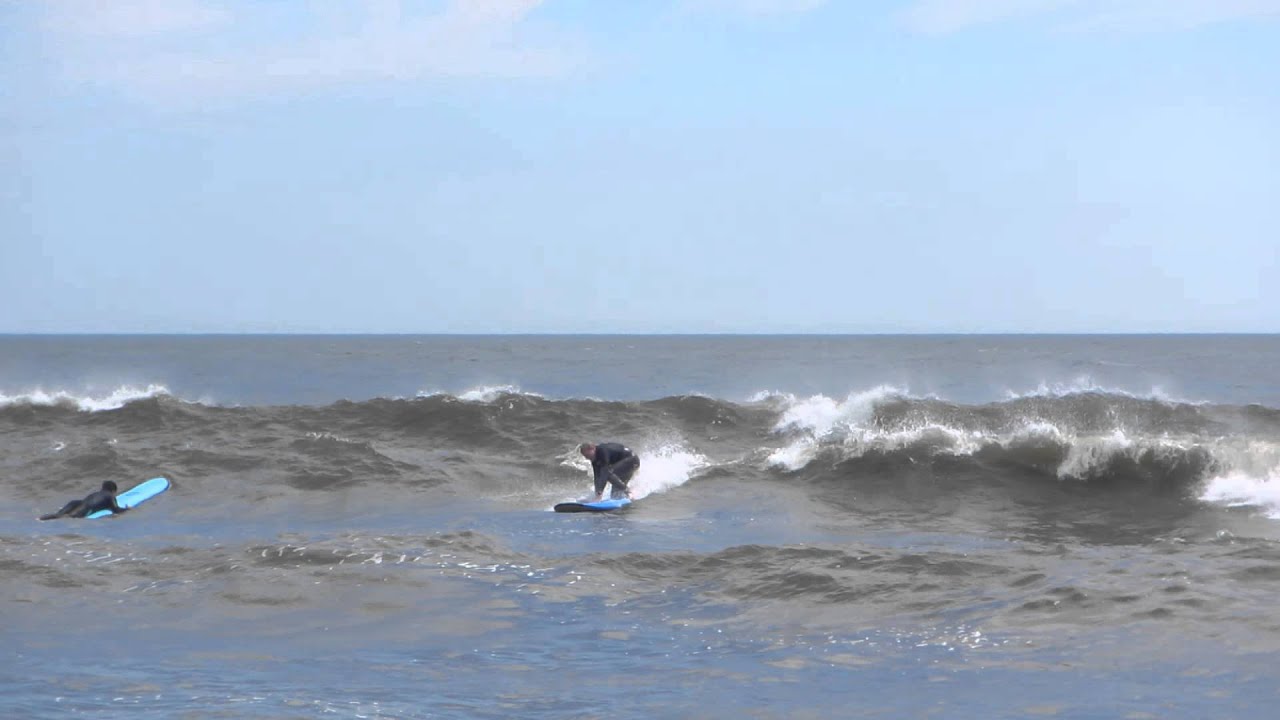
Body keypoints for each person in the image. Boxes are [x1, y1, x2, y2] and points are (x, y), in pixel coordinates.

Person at [40, 481, 126, 520]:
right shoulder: (110, 496)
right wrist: (127, 509)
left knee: (59, 515)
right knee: (70, 517)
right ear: (113, 490)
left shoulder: (96, 493)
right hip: (88, 508)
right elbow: (116, 510)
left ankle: (41, 518)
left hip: (76, 503)